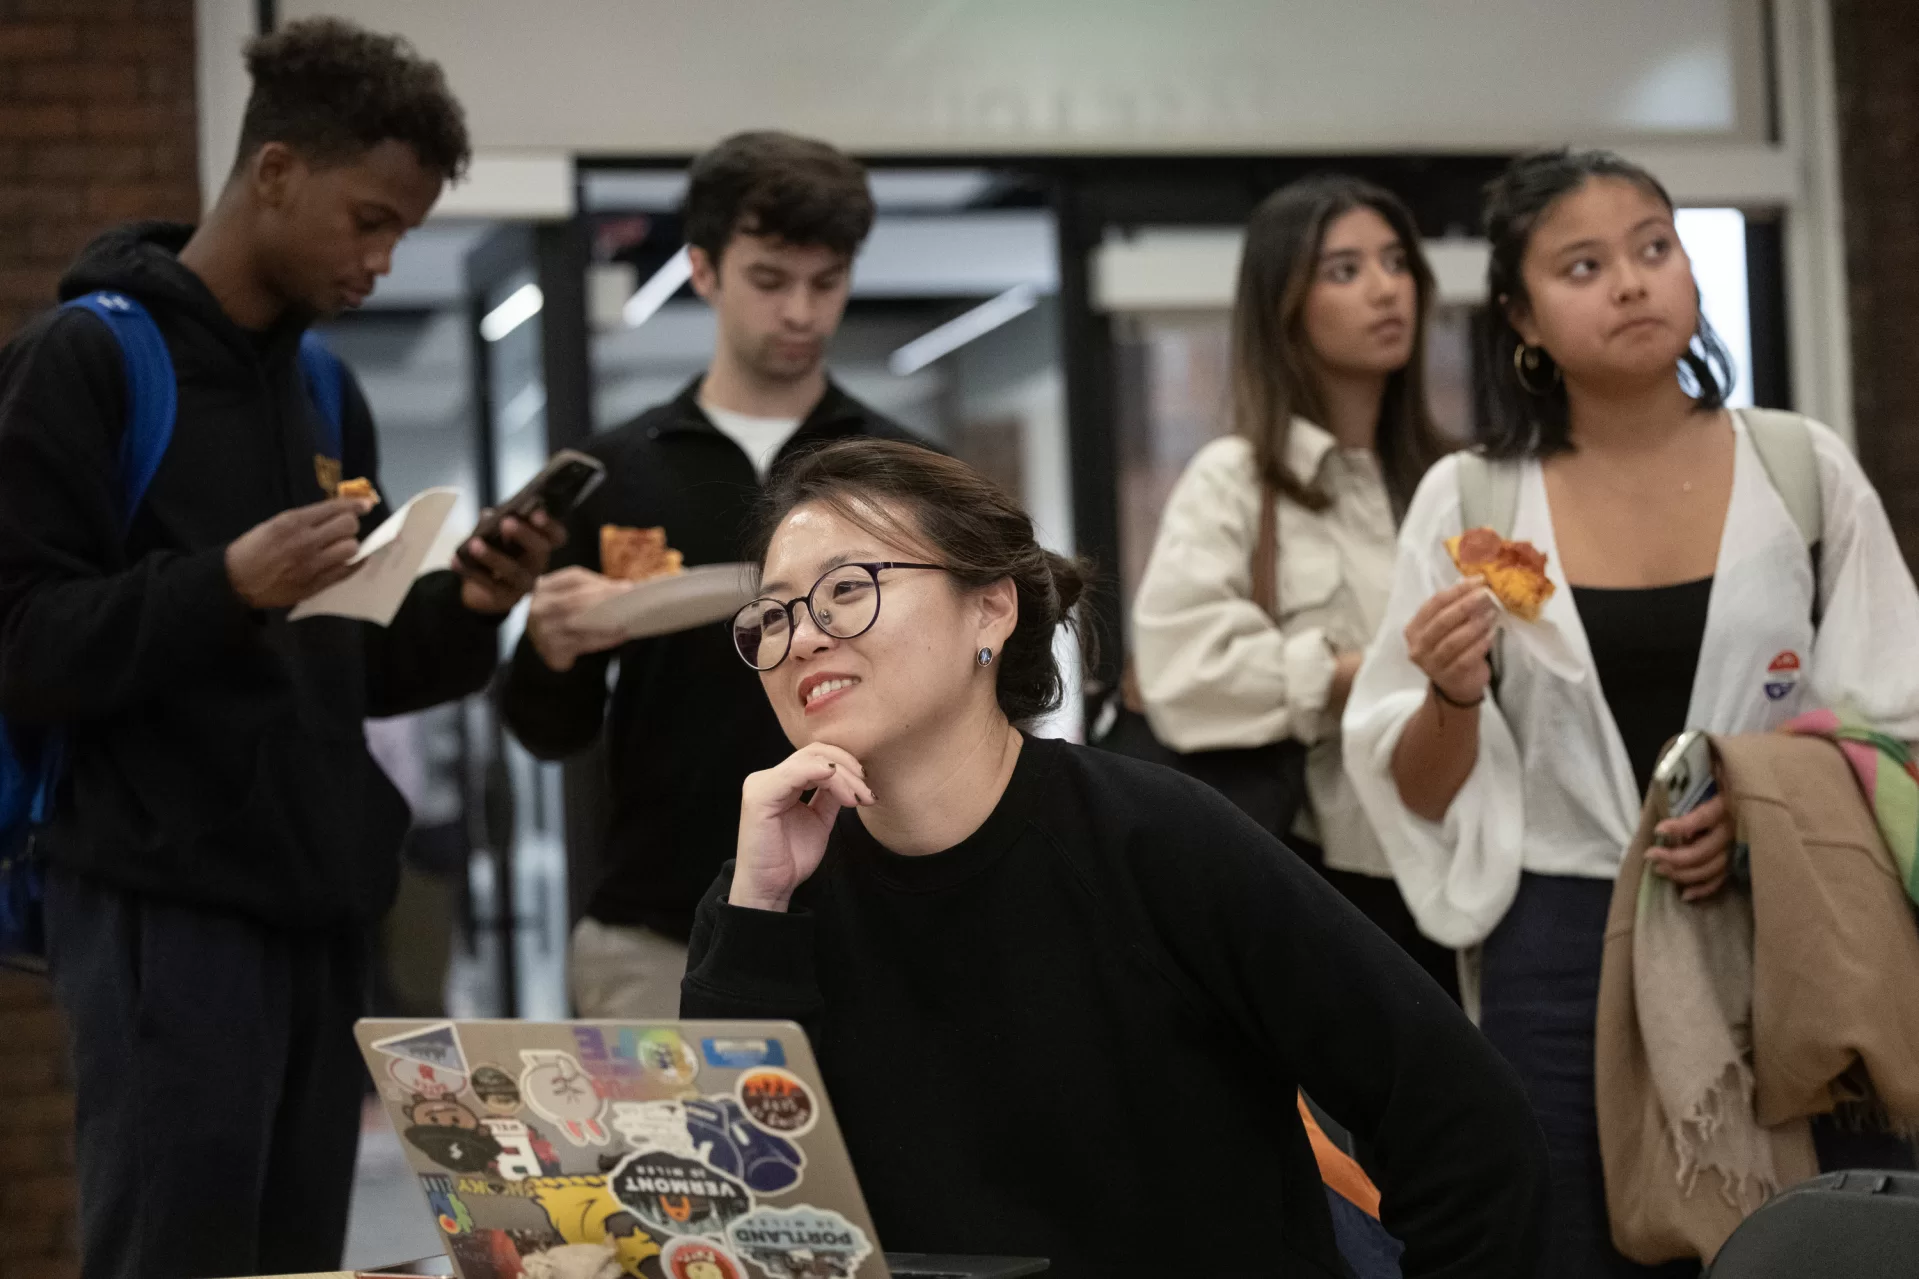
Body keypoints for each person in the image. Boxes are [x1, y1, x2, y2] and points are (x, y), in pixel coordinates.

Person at [682, 438, 1549, 1278]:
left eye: (846, 590)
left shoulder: (1156, 840)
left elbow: (1464, 1124)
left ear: (990, 608)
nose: (802, 638)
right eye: (775, 614)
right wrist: (756, 918)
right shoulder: (771, 890)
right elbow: (716, 1227)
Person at [0, 21, 561, 1279]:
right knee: (174, 1255)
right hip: (160, 908)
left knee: (296, 1263)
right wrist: (225, 583)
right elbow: (22, 639)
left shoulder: (324, 393)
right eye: (368, 219)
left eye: (403, 232)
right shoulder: (85, 364)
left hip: (315, 909)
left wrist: (470, 607)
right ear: (272, 173)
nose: (381, 258)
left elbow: (344, 667)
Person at [1342, 149, 1919, 1278]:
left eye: (1653, 247)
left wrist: (1757, 808)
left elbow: (1892, 720)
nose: (1631, 282)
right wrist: (1454, 692)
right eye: (1582, 264)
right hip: (1557, 943)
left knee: (1810, 1240)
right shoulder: (1468, 501)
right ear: (1519, 315)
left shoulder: (1798, 468)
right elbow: (1408, 787)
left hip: (1784, 925)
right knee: (1565, 1239)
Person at [501, 130, 921, 1019]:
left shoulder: (901, 473)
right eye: (770, 280)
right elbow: (549, 727)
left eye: (826, 282)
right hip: (657, 927)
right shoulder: (617, 470)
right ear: (702, 269)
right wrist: (551, 646)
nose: (801, 311)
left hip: (878, 906)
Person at [1131, 174, 1458, 1000]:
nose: (1385, 288)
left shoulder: (1457, 481)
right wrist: (1365, 670)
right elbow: (1184, 672)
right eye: (1343, 270)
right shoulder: (1236, 479)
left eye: (1394, 262)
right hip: (1326, 874)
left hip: (1472, 864)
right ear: (1284, 307)